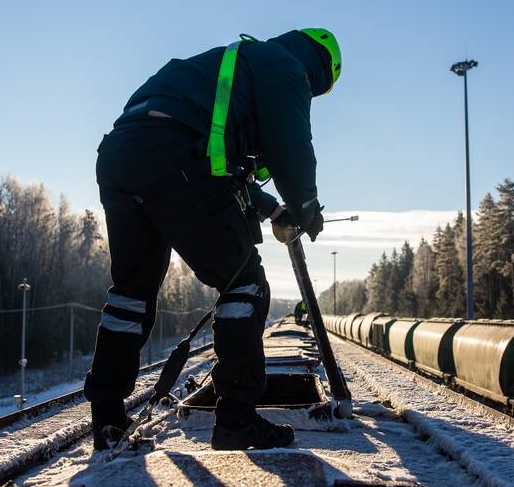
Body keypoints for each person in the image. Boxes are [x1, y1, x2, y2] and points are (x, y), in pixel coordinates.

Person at [85, 28, 341, 451]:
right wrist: (307, 211)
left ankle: (107, 417)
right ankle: (237, 419)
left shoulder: (237, 67)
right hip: (174, 156)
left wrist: (273, 210)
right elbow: (291, 147)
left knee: (130, 294)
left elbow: (217, 160)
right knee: (245, 284)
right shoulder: (286, 67)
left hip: (121, 157)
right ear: (321, 69)